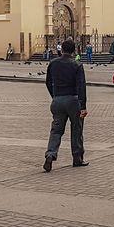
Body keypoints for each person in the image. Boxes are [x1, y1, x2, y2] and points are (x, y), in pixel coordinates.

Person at [43, 40, 87, 172]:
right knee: (77, 129)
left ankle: (50, 155)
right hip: (73, 100)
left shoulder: (53, 63)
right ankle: (77, 158)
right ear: (74, 51)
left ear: (61, 49)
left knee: (56, 130)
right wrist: (83, 105)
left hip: (58, 100)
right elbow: (81, 86)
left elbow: (48, 82)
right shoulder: (77, 65)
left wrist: (55, 96)